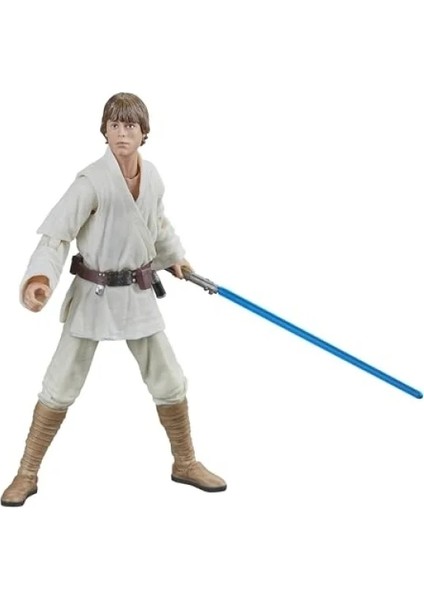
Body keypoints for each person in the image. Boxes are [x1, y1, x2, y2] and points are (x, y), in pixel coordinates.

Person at [1, 92, 226, 507]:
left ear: (144, 132)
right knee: (60, 384)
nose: (122, 133)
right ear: (104, 130)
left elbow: (157, 224)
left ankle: (185, 462)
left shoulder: (152, 177)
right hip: (95, 294)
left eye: (130, 126)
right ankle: (26, 472)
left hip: (138, 293)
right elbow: (56, 237)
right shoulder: (90, 182)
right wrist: (40, 278)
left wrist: (176, 259)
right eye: (115, 125)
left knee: (169, 379)